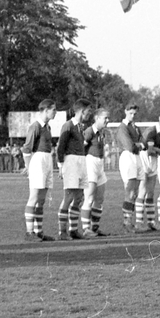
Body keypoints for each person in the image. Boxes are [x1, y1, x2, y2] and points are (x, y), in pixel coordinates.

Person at [22, 100, 57, 240]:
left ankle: (38, 231)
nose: (55, 112)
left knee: (41, 199)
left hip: (47, 160)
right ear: (46, 110)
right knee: (34, 197)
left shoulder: (48, 127)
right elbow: (26, 148)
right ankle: (29, 232)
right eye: (53, 109)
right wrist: (29, 167)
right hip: (38, 161)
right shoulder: (35, 126)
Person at [55, 102, 87, 239]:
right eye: (88, 111)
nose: (89, 114)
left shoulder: (81, 127)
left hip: (81, 161)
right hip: (71, 162)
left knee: (79, 197)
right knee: (68, 197)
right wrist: (60, 166)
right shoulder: (68, 125)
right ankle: (62, 232)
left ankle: (73, 230)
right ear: (82, 111)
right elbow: (60, 146)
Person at [137, 110, 160, 230]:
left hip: (154, 161)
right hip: (144, 159)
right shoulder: (151, 131)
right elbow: (150, 151)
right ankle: (139, 222)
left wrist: (157, 150)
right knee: (142, 191)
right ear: (159, 118)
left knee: (150, 192)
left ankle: (151, 222)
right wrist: (158, 150)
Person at [112, 103, 143, 233]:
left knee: (135, 192)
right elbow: (130, 146)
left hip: (137, 157)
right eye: (131, 113)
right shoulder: (122, 127)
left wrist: (139, 145)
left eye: (135, 114)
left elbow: (144, 142)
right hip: (128, 157)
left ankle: (129, 220)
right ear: (125, 111)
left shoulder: (135, 127)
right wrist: (139, 145)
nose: (133, 116)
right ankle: (127, 222)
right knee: (130, 191)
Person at [80, 106, 108, 236]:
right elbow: (81, 147)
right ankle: (86, 229)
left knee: (100, 198)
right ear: (97, 118)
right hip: (90, 163)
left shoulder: (102, 132)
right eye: (105, 118)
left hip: (100, 164)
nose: (107, 120)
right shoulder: (89, 131)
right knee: (89, 196)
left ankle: (94, 228)